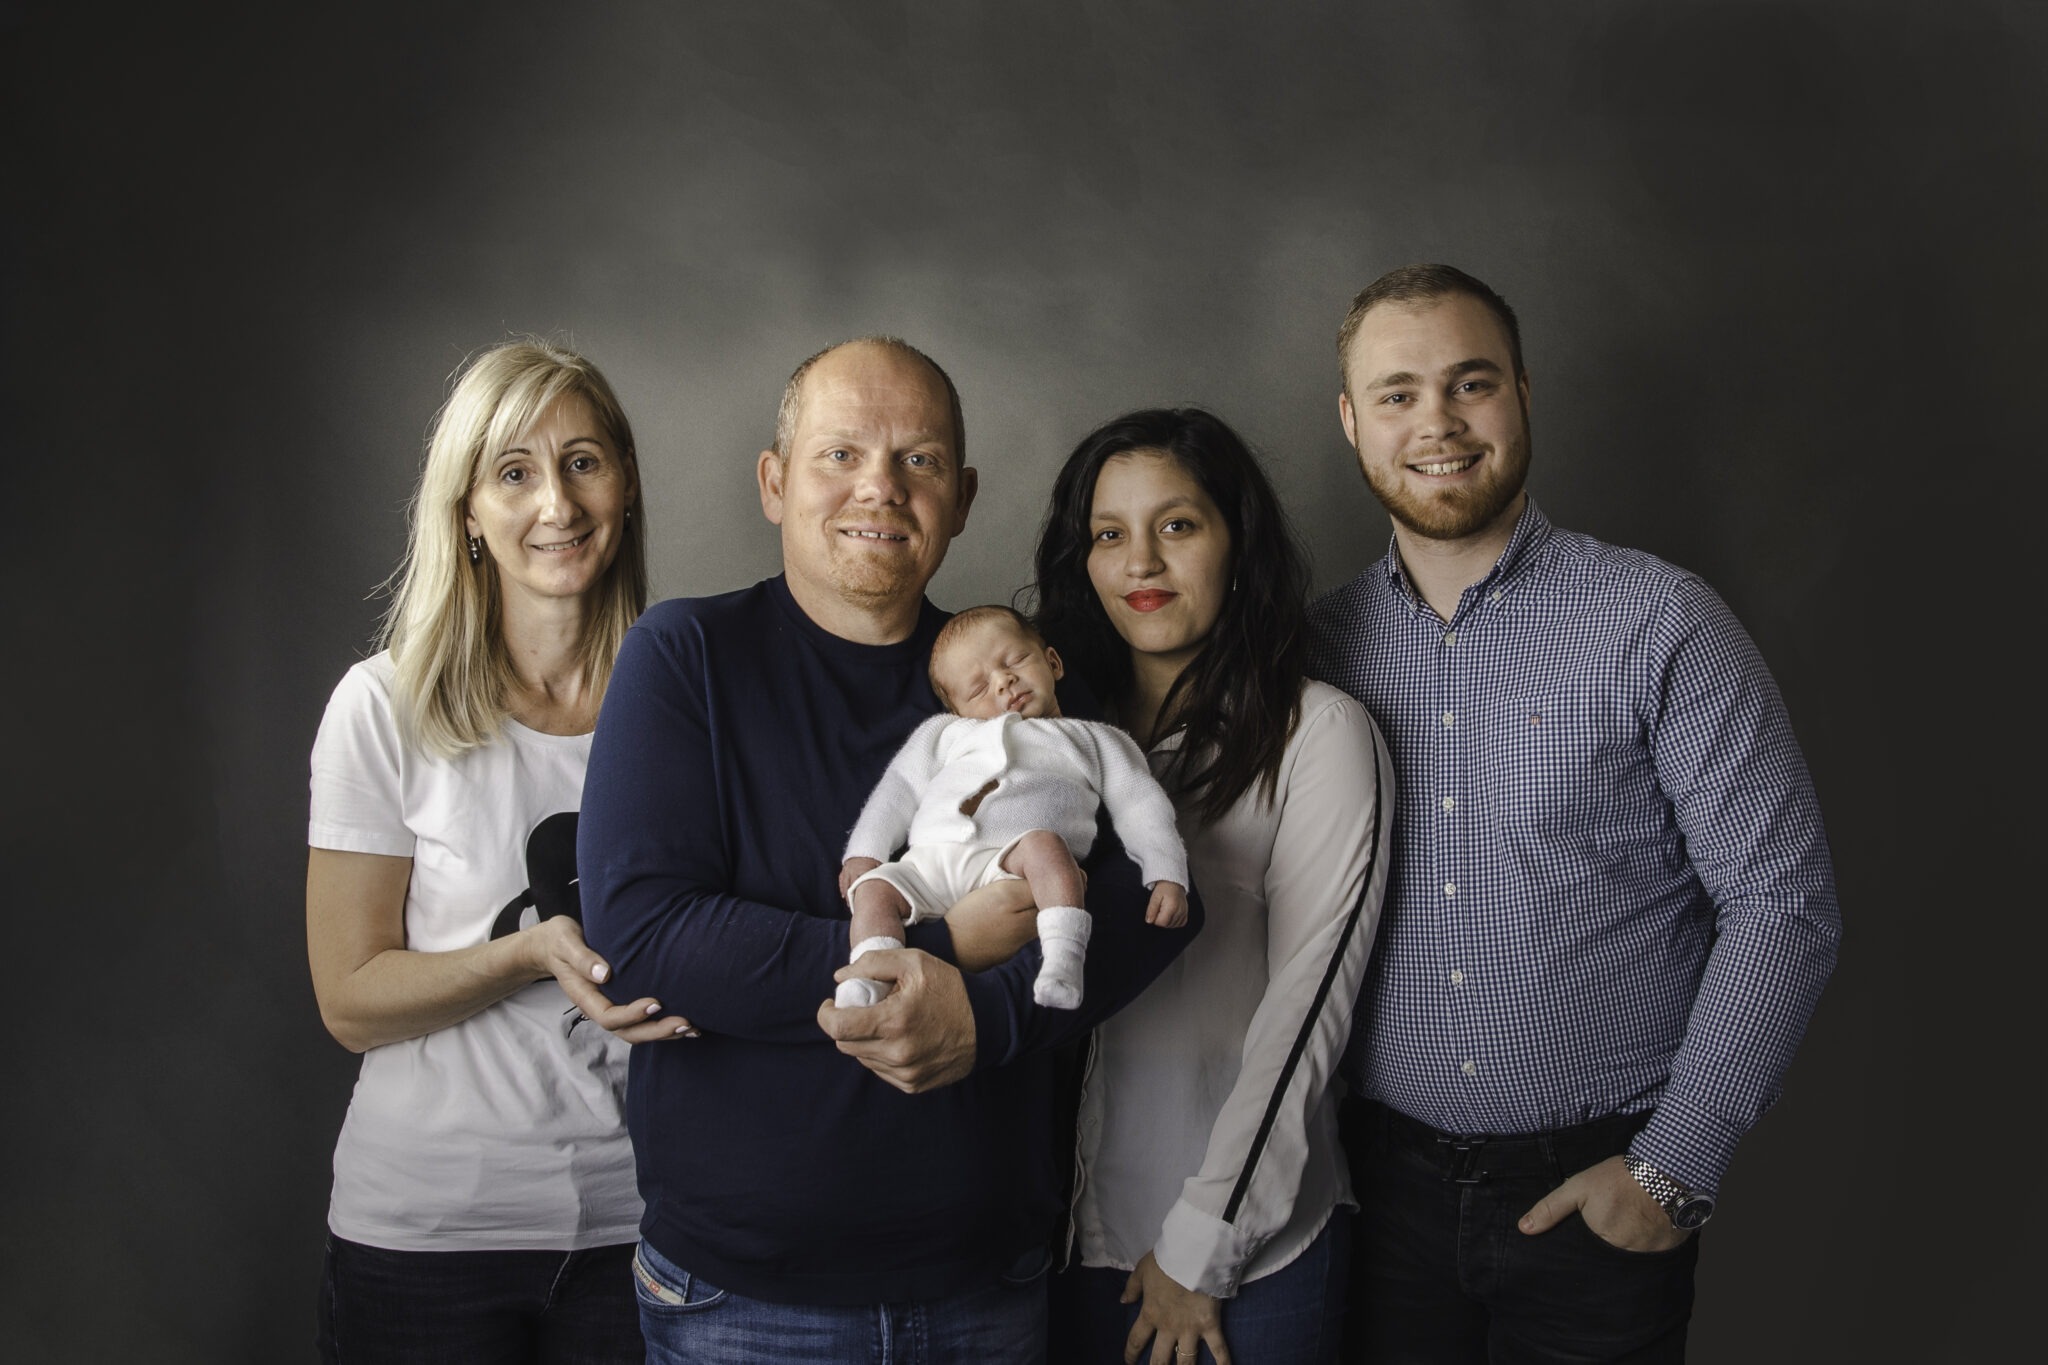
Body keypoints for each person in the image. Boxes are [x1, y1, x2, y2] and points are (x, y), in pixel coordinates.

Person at [576, 337, 1200, 1364]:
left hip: (988, 1286)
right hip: (738, 1301)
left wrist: (986, 1021)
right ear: (774, 484)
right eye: (839, 455)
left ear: (959, 497)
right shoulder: (685, 657)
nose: (880, 487)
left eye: (917, 460)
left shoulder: (1009, 674)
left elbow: (1158, 906)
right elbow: (647, 931)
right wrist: (953, 949)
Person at [1307, 263, 1842, 1363]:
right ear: (1352, 422)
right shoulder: (1316, 649)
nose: (1438, 424)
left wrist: (1672, 1169)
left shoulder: (1658, 621)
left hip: (1595, 1195)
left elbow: (1781, 904)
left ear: (1522, 395)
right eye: (1398, 395)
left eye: (1470, 383)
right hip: (1367, 1199)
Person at [306, 340, 686, 1363]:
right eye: (514, 472)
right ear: (466, 509)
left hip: (644, 1234)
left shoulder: (687, 705)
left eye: (583, 461)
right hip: (429, 1239)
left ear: (627, 481)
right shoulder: (383, 708)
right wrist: (523, 954)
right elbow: (348, 1000)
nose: (555, 504)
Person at [1036, 408, 1394, 1365]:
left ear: (1239, 544)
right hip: (1062, 1246)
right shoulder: (1054, 745)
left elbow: (1307, 1012)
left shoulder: (1316, 735)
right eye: (1109, 535)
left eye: (1178, 525)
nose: (1140, 562)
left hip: (1244, 1256)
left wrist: (1204, 1244)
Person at [837, 605, 1190, 1012]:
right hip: (930, 864)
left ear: (1052, 663)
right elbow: (897, 788)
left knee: (1047, 848)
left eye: (1015, 660)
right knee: (874, 890)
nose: (1004, 681)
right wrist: (865, 851)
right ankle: (870, 976)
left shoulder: (1095, 739)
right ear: (958, 712)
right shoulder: (945, 735)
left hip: (1014, 865)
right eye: (978, 688)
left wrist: (1165, 872)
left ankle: (1063, 960)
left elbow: (1140, 802)